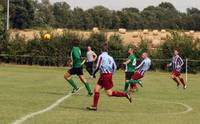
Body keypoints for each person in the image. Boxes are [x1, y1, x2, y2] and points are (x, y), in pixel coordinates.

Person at [87, 43, 132, 111]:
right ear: (107, 50)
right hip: (106, 75)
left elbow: (98, 66)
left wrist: (93, 73)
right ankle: (94, 106)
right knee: (96, 89)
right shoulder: (110, 57)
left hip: (105, 76)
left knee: (109, 93)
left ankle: (125, 94)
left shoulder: (101, 56)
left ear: (101, 50)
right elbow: (115, 67)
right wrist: (111, 74)